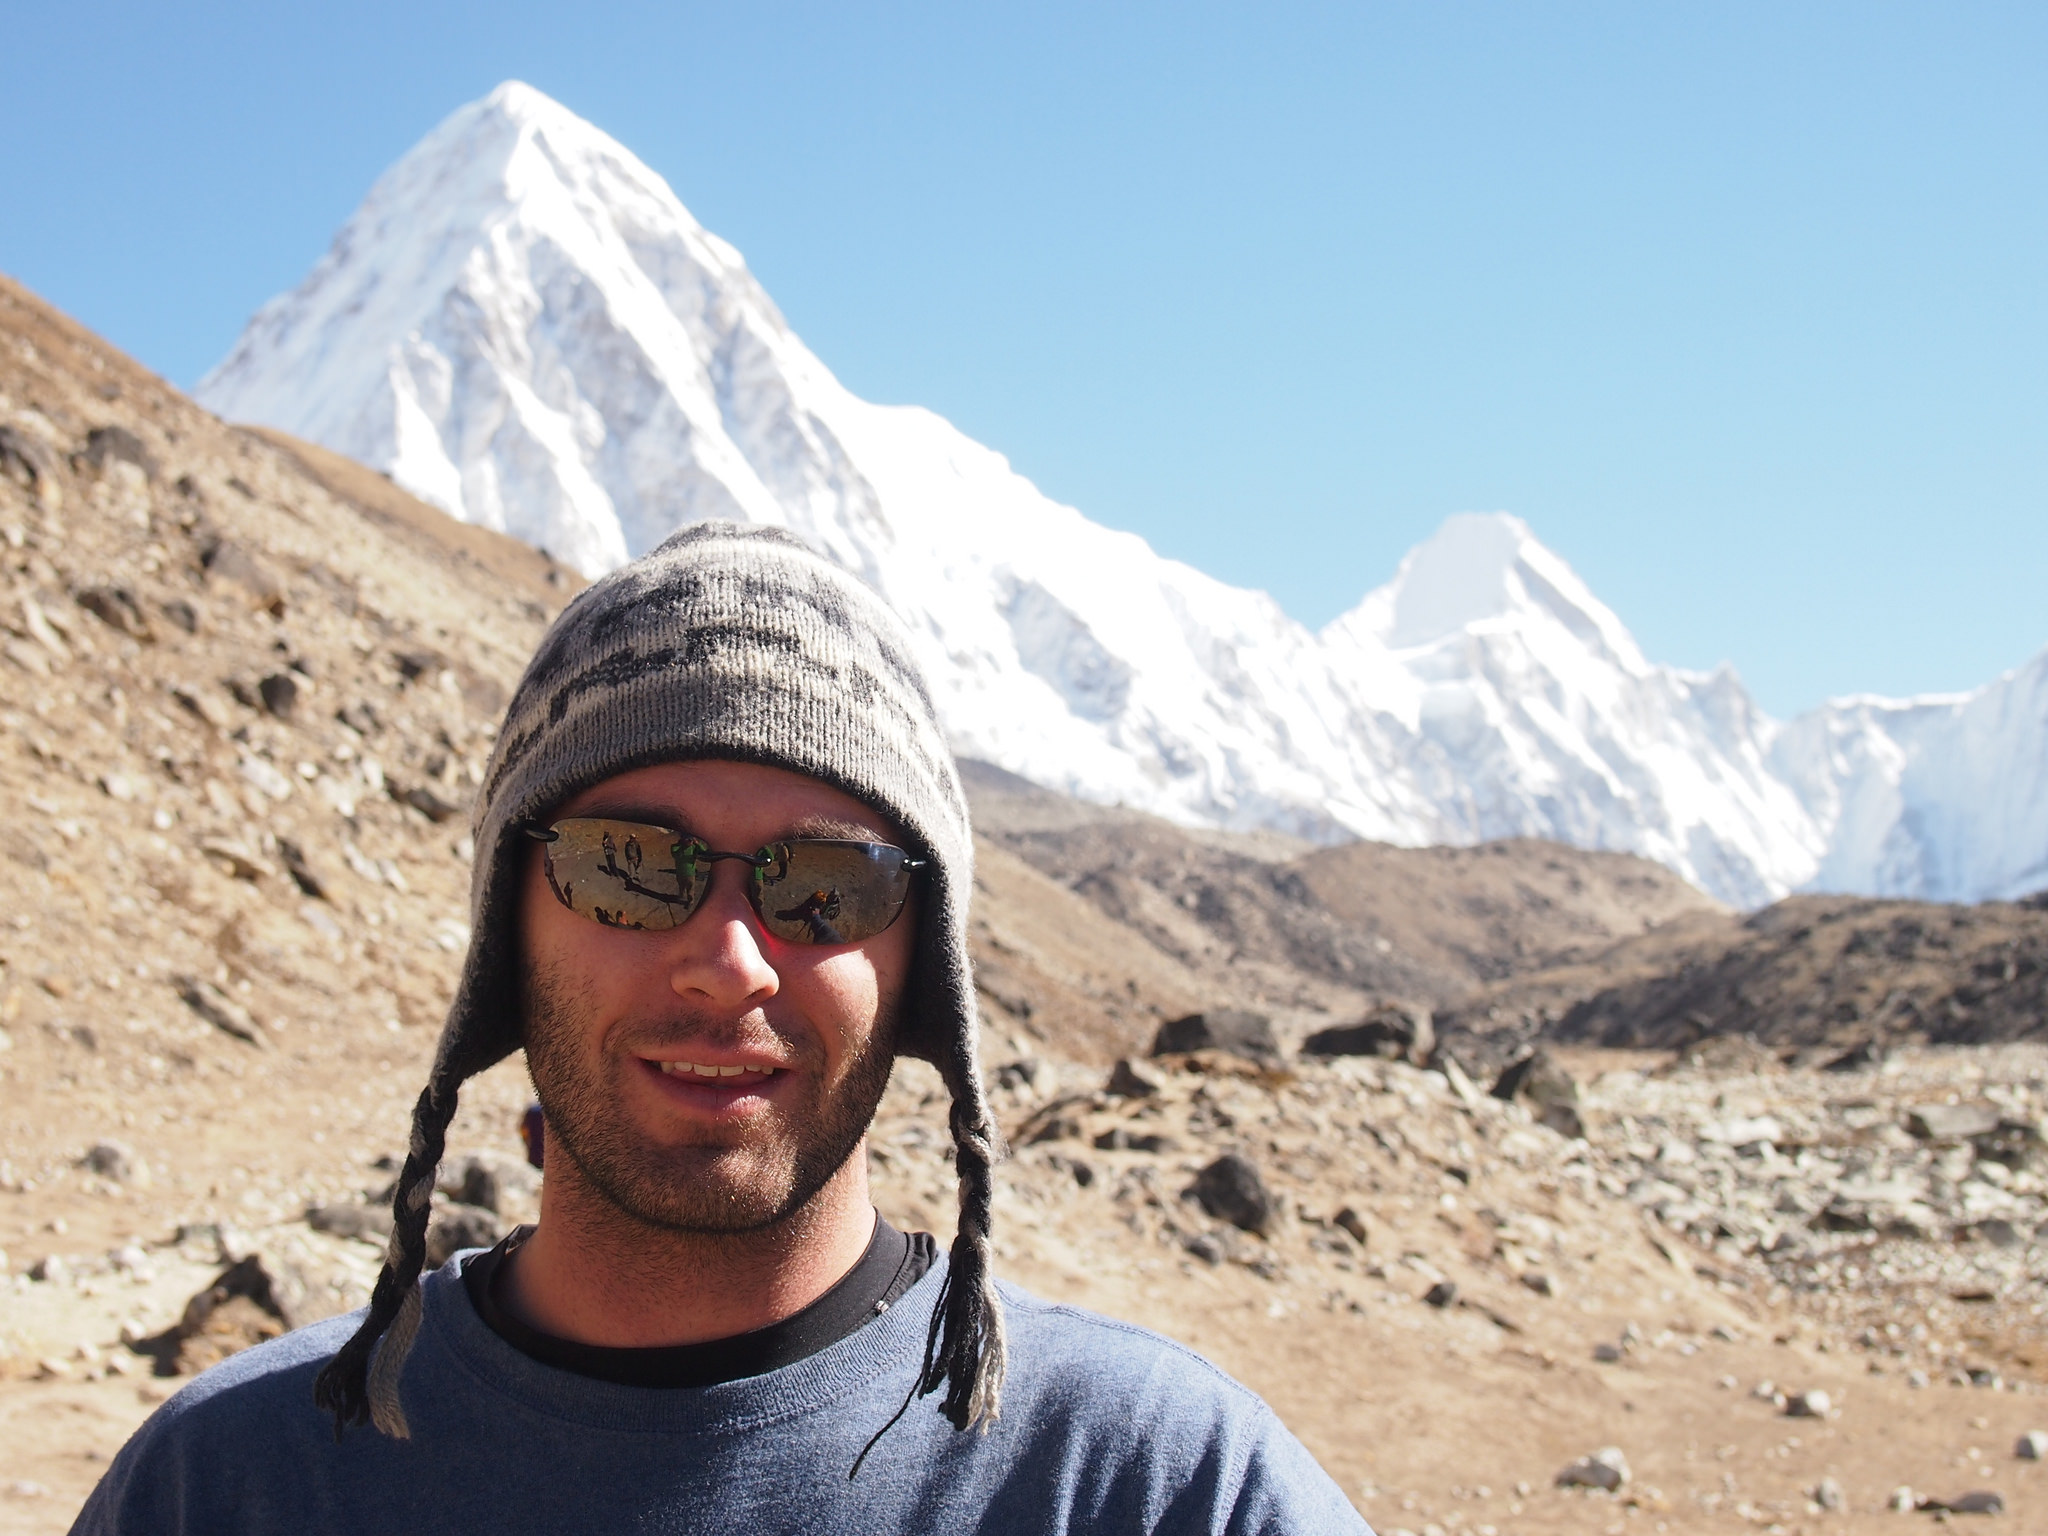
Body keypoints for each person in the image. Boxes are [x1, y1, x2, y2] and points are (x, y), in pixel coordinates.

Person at [73, 523, 1368, 1533]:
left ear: (921, 967)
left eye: (828, 885)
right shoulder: (231, 1490)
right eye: (628, 865)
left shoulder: (1155, 1491)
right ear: (506, 932)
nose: (727, 962)